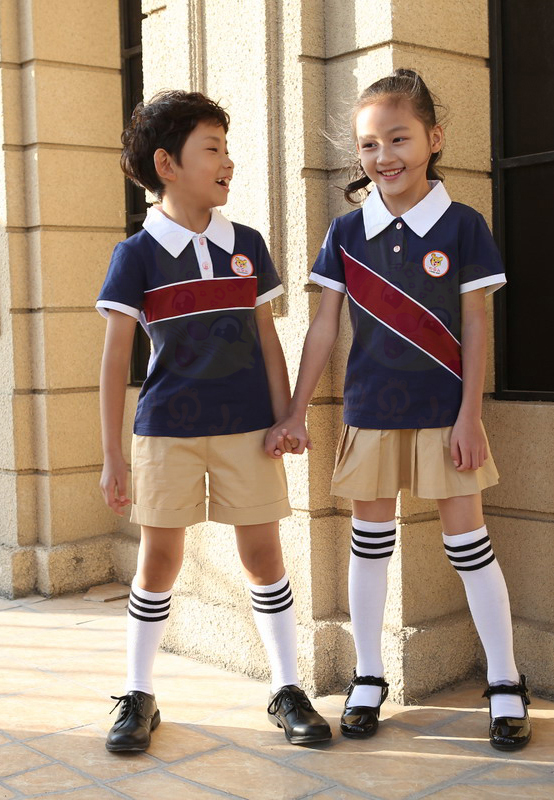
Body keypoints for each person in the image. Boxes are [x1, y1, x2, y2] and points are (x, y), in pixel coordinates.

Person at [266, 69, 531, 751]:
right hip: (370, 411)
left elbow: (476, 325)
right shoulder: (346, 232)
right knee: (370, 543)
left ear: (433, 138)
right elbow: (325, 327)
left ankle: (505, 680)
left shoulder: (464, 226)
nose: (383, 156)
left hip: (446, 414)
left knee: (469, 546)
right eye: (369, 144)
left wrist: (470, 415)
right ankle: (369, 677)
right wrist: (296, 410)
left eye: (399, 138)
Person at [96, 90, 331, 752]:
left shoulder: (247, 245)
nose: (228, 161)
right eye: (212, 149)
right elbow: (115, 361)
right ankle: (137, 694)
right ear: (167, 165)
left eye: (227, 148)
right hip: (165, 431)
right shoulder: (136, 254)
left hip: (247, 429)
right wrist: (113, 456)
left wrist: (286, 417)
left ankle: (287, 688)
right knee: (159, 560)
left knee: (264, 557)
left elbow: (267, 340)